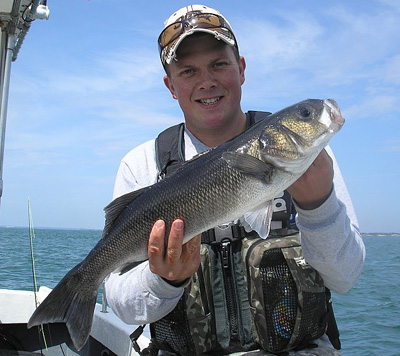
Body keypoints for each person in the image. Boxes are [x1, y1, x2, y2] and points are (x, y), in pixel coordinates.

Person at [105, 5, 366, 356]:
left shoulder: (314, 160)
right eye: (188, 71)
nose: (206, 81)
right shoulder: (141, 165)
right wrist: (165, 279)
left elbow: (346, 278)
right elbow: (121, 303)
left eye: (219, 64)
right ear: (171, 85)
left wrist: (318, 208)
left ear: (241, 69)